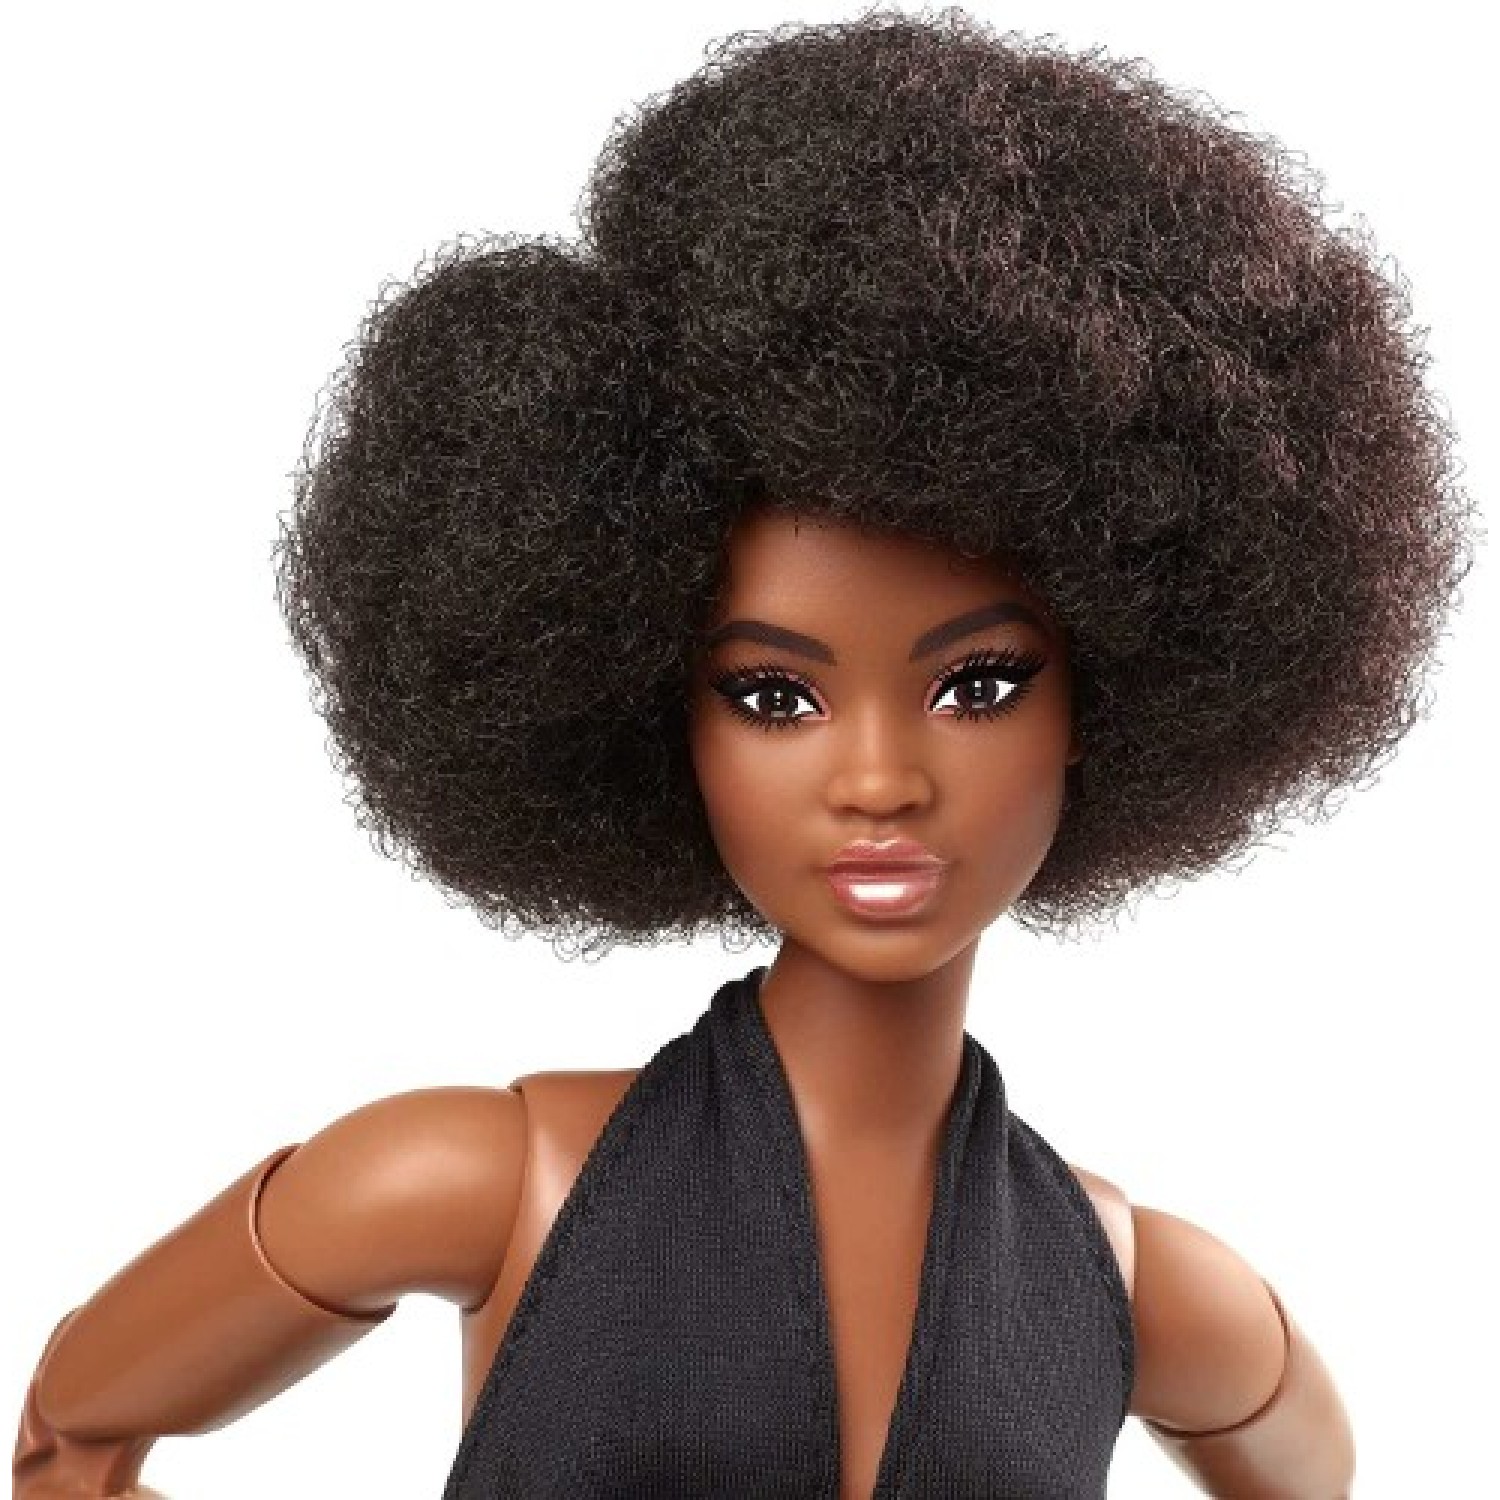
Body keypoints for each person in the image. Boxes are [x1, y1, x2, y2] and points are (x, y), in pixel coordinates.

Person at [12, 10, 1472, 1497]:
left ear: (1109, 695)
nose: (880, 780)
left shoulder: (1148, 1292)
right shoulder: (480, 1183)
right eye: (775, 696)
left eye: (978, 684)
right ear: (655, 708)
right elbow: (71, 1433)